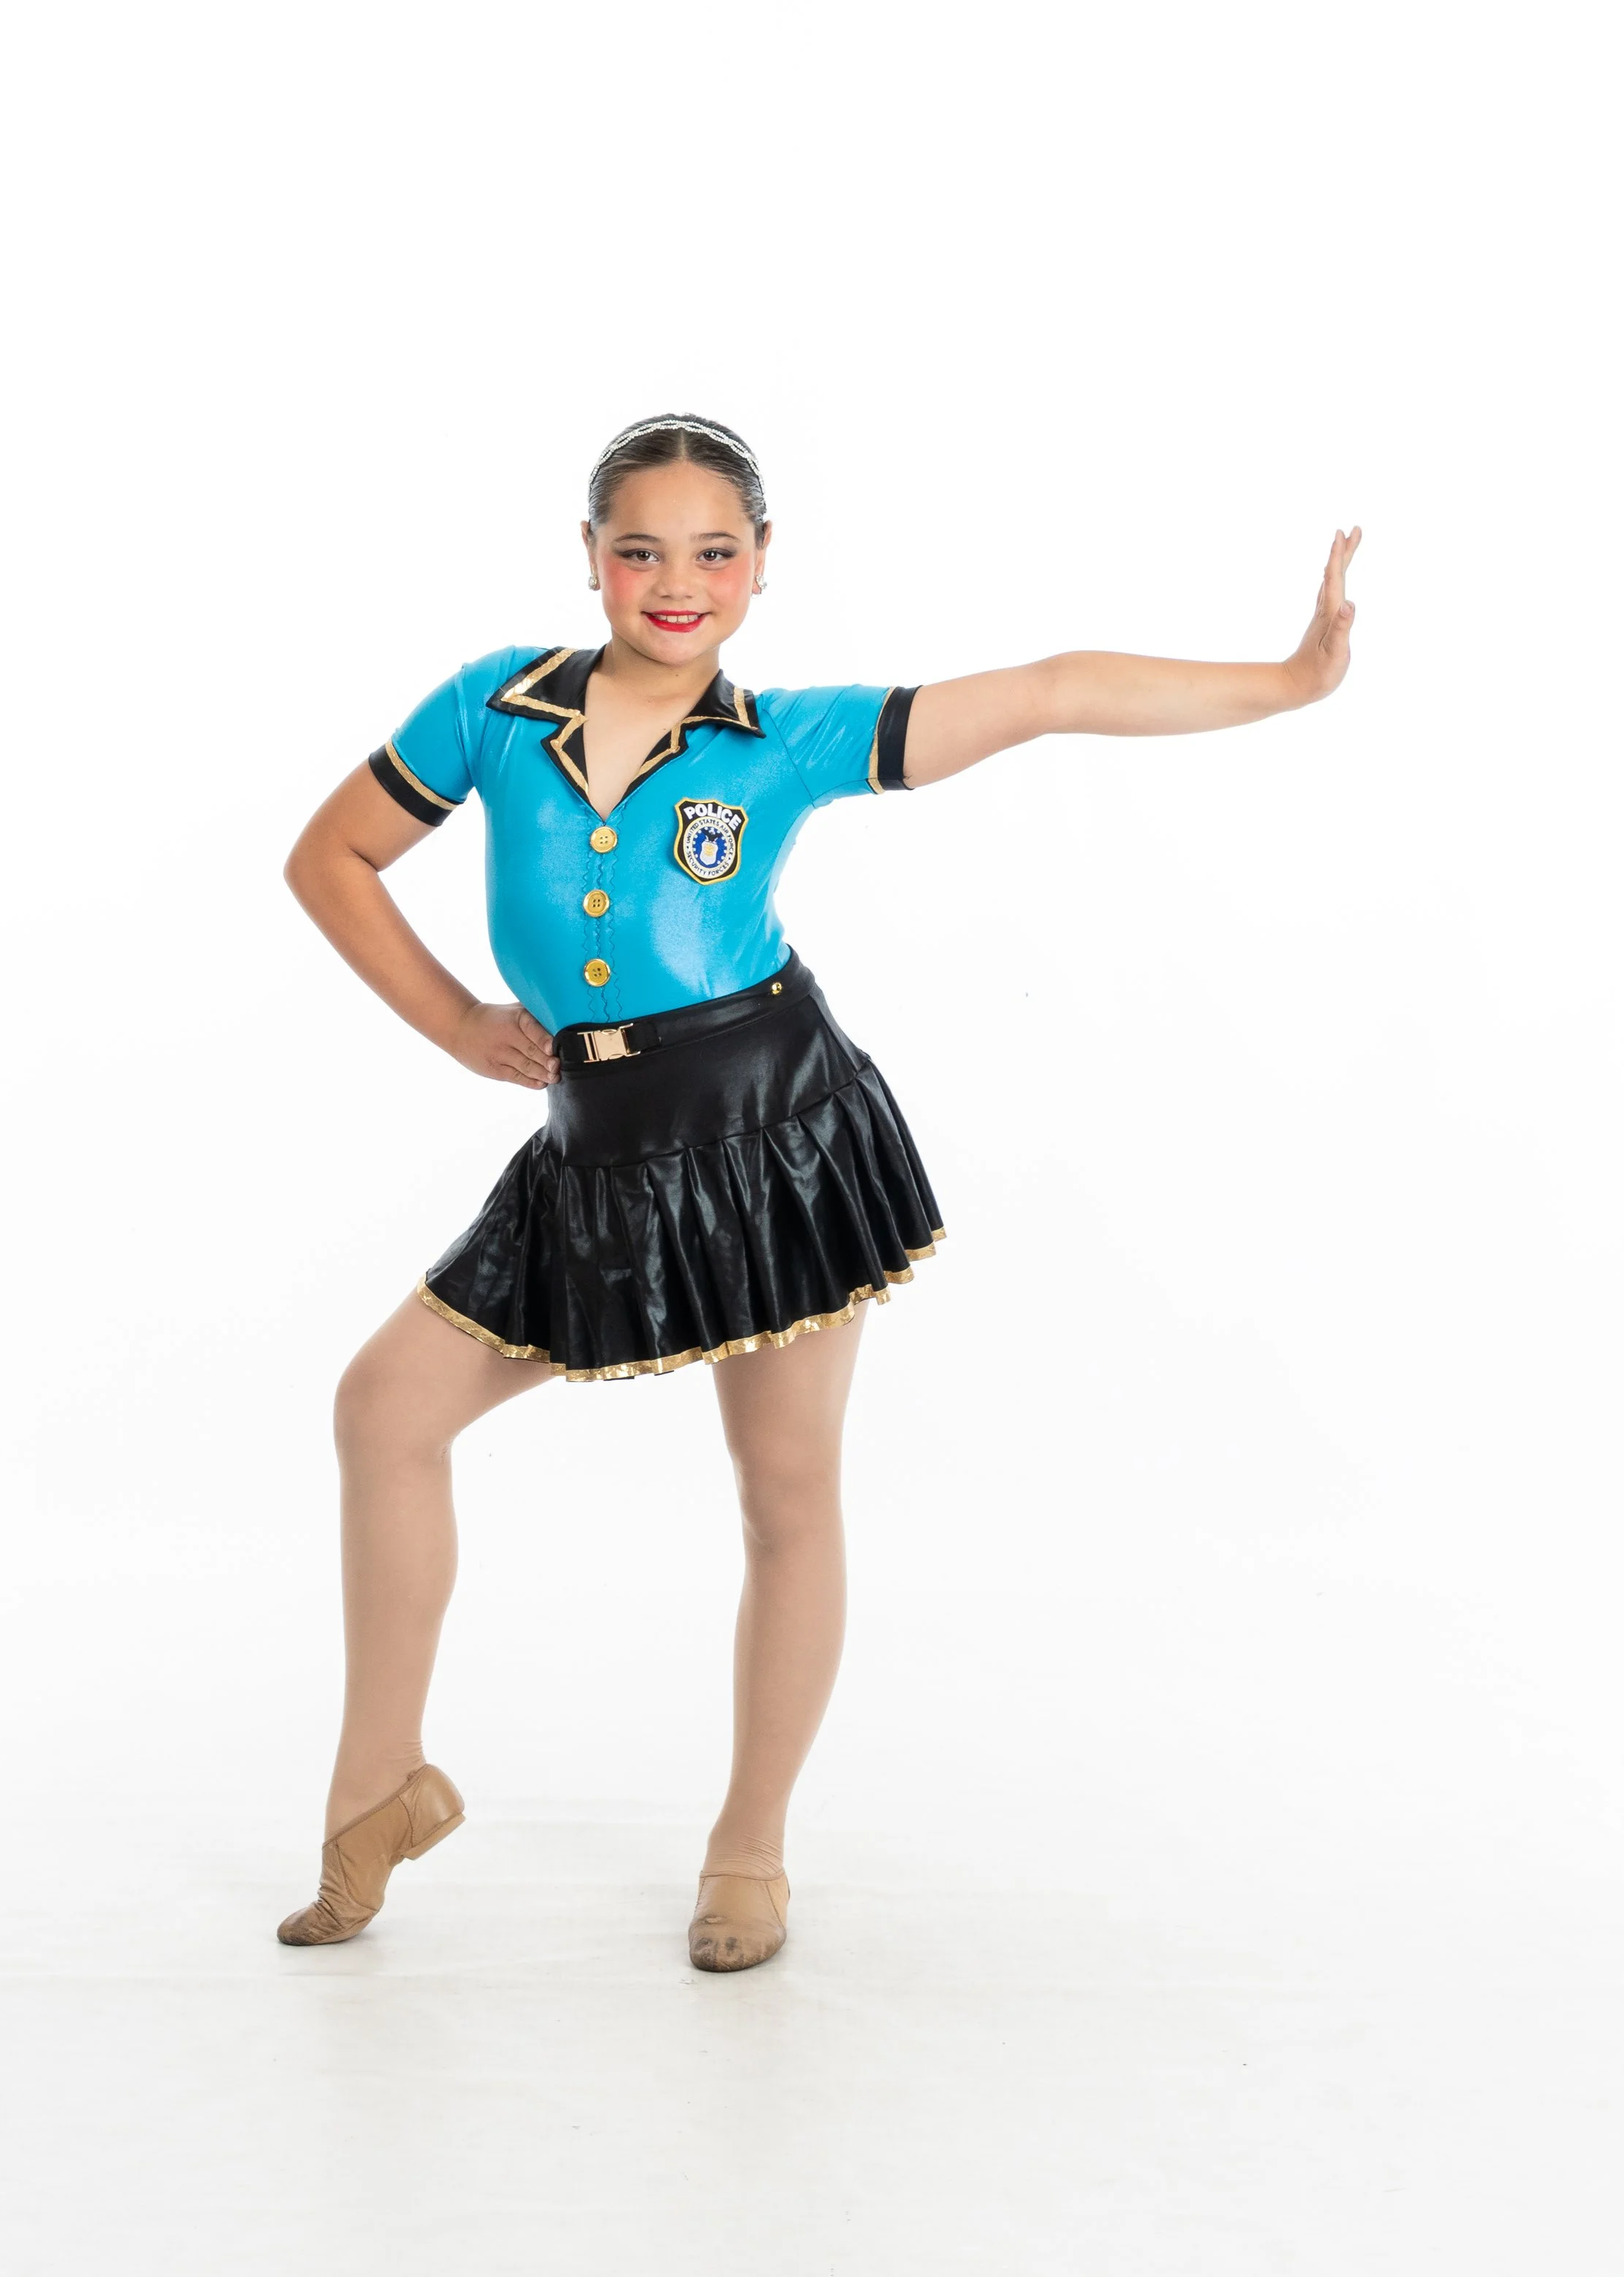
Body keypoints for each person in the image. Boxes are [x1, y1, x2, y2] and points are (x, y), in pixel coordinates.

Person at [277, 412, 1360, 1971]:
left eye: (714, 552)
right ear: (589, 556)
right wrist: (455, 1022)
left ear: (761, 564)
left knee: (782, 1490)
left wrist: (1288, 679)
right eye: (641, 549)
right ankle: (376, 1787)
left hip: (774, 1131)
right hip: (593, 1142)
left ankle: (750, 1848)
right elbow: (330, 857)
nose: (677, 581)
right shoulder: (489, 707)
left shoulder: (783, 736)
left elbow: (1048, 689)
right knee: (384, 1410)